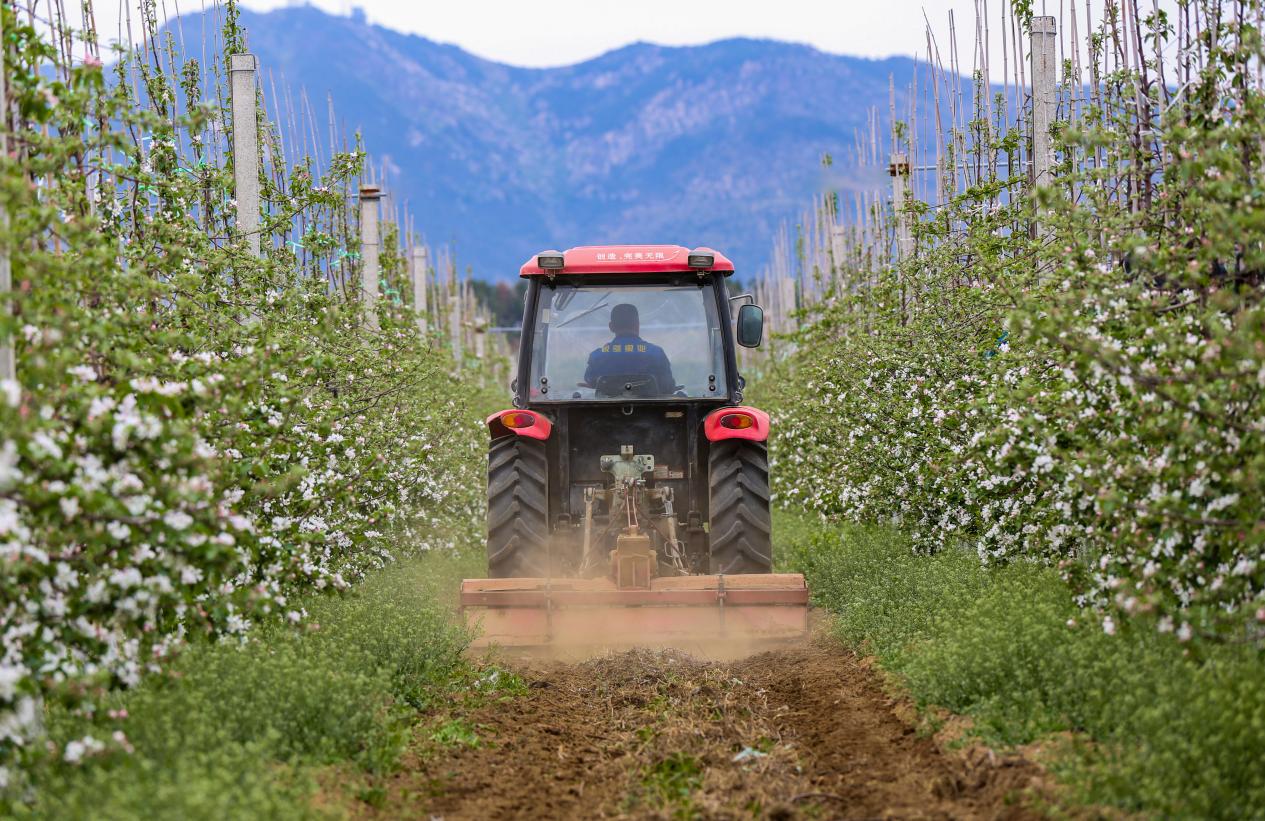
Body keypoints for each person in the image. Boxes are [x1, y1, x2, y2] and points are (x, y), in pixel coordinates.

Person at [584, 303, 676, 396]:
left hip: (607, 410)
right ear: (637, 325)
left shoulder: (597, 356)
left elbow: (591, 382)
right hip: (650, 410)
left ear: (611, 327)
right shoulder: (656, 354)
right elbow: (667, 387)